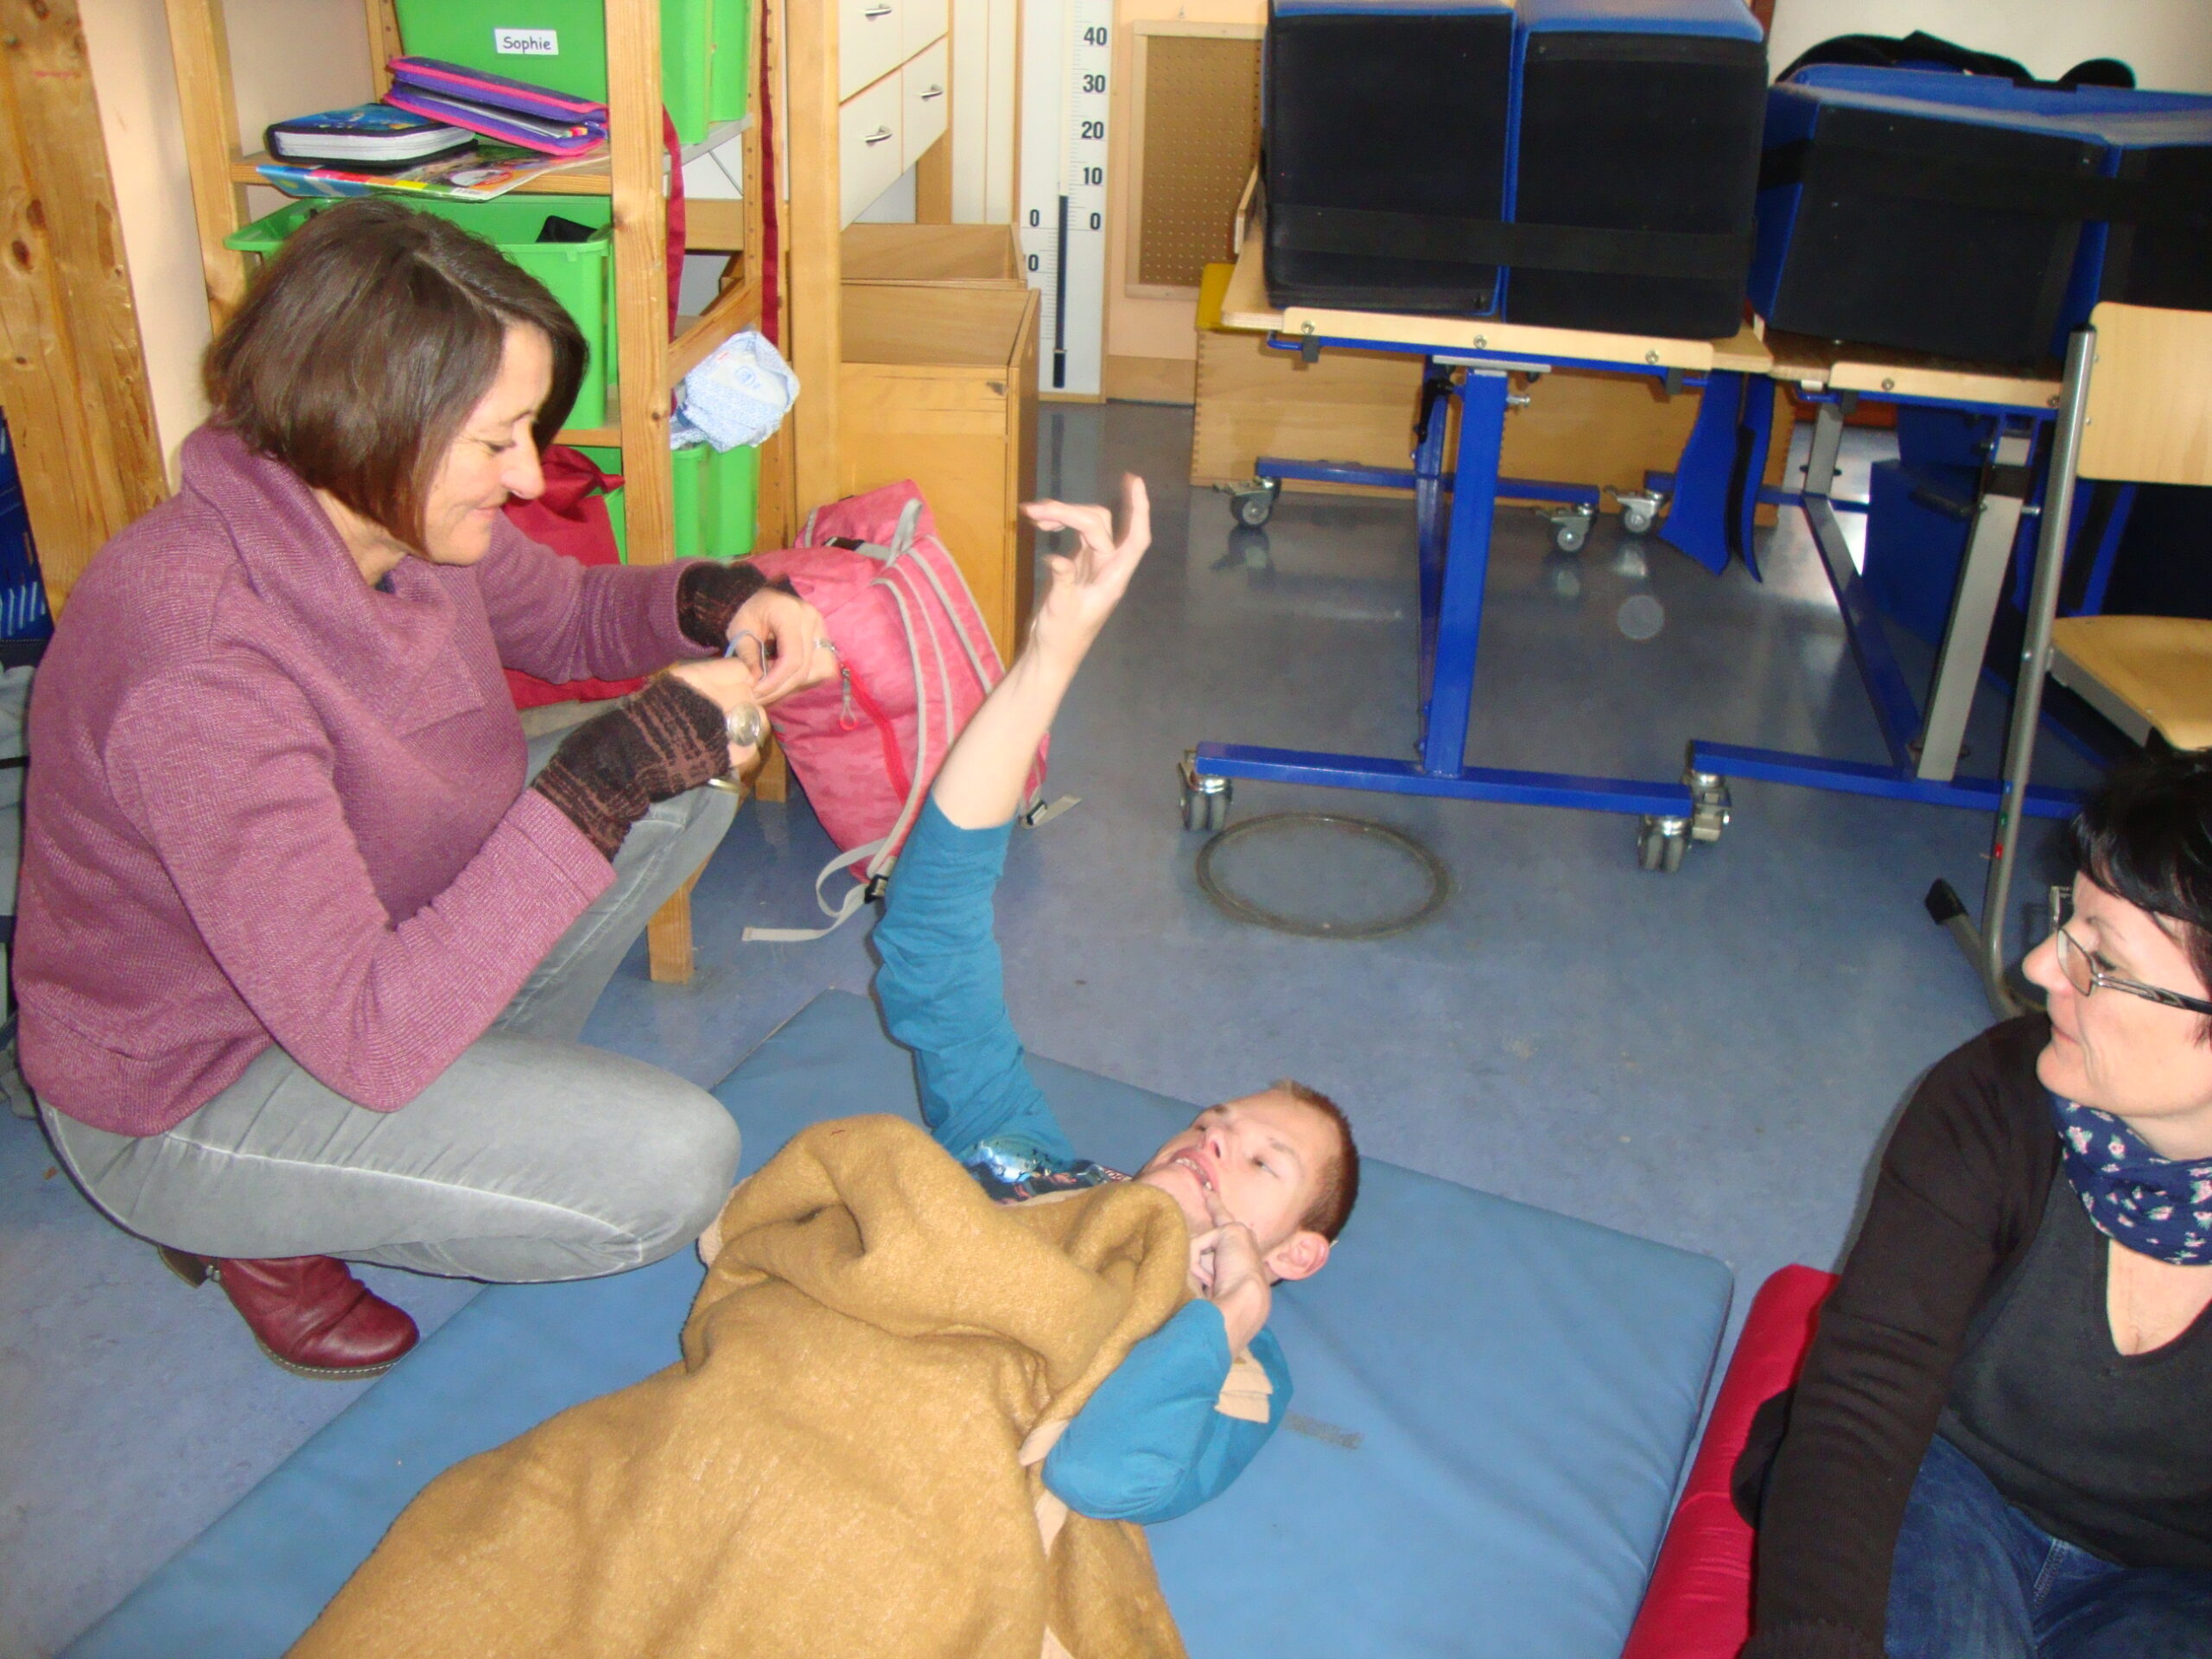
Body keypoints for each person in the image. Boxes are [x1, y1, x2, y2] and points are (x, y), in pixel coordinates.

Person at [20, 199, 836, 1382]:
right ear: (372, 421)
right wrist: (610, 771)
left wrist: (721, 599)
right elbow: (365, 1032)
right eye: (496, 440)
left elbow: (563, 613)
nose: (522, 478)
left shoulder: (370, 505)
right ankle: (256, 1217)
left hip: (359, 966)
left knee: (689, 782)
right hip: (193, 1088)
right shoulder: (197, 660)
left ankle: (426, 1114)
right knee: (675, 1166)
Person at [869, 474, 1361, 1517]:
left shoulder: (1239, 1366)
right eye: (1213, 1123)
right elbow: (930, 942)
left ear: (1297, 1255)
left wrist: (1224, 1316)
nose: (1210, 1145)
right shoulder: (1027, 1160)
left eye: (1263, 1160)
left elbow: (1100, 1475)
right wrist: (1052, 655)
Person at [1738, 750, 2212, 1659]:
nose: (2039, 965)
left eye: (2098, 961)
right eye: (2067, 921)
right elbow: (1860, 1408)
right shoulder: (1991, 1102)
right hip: (1941, 1483)